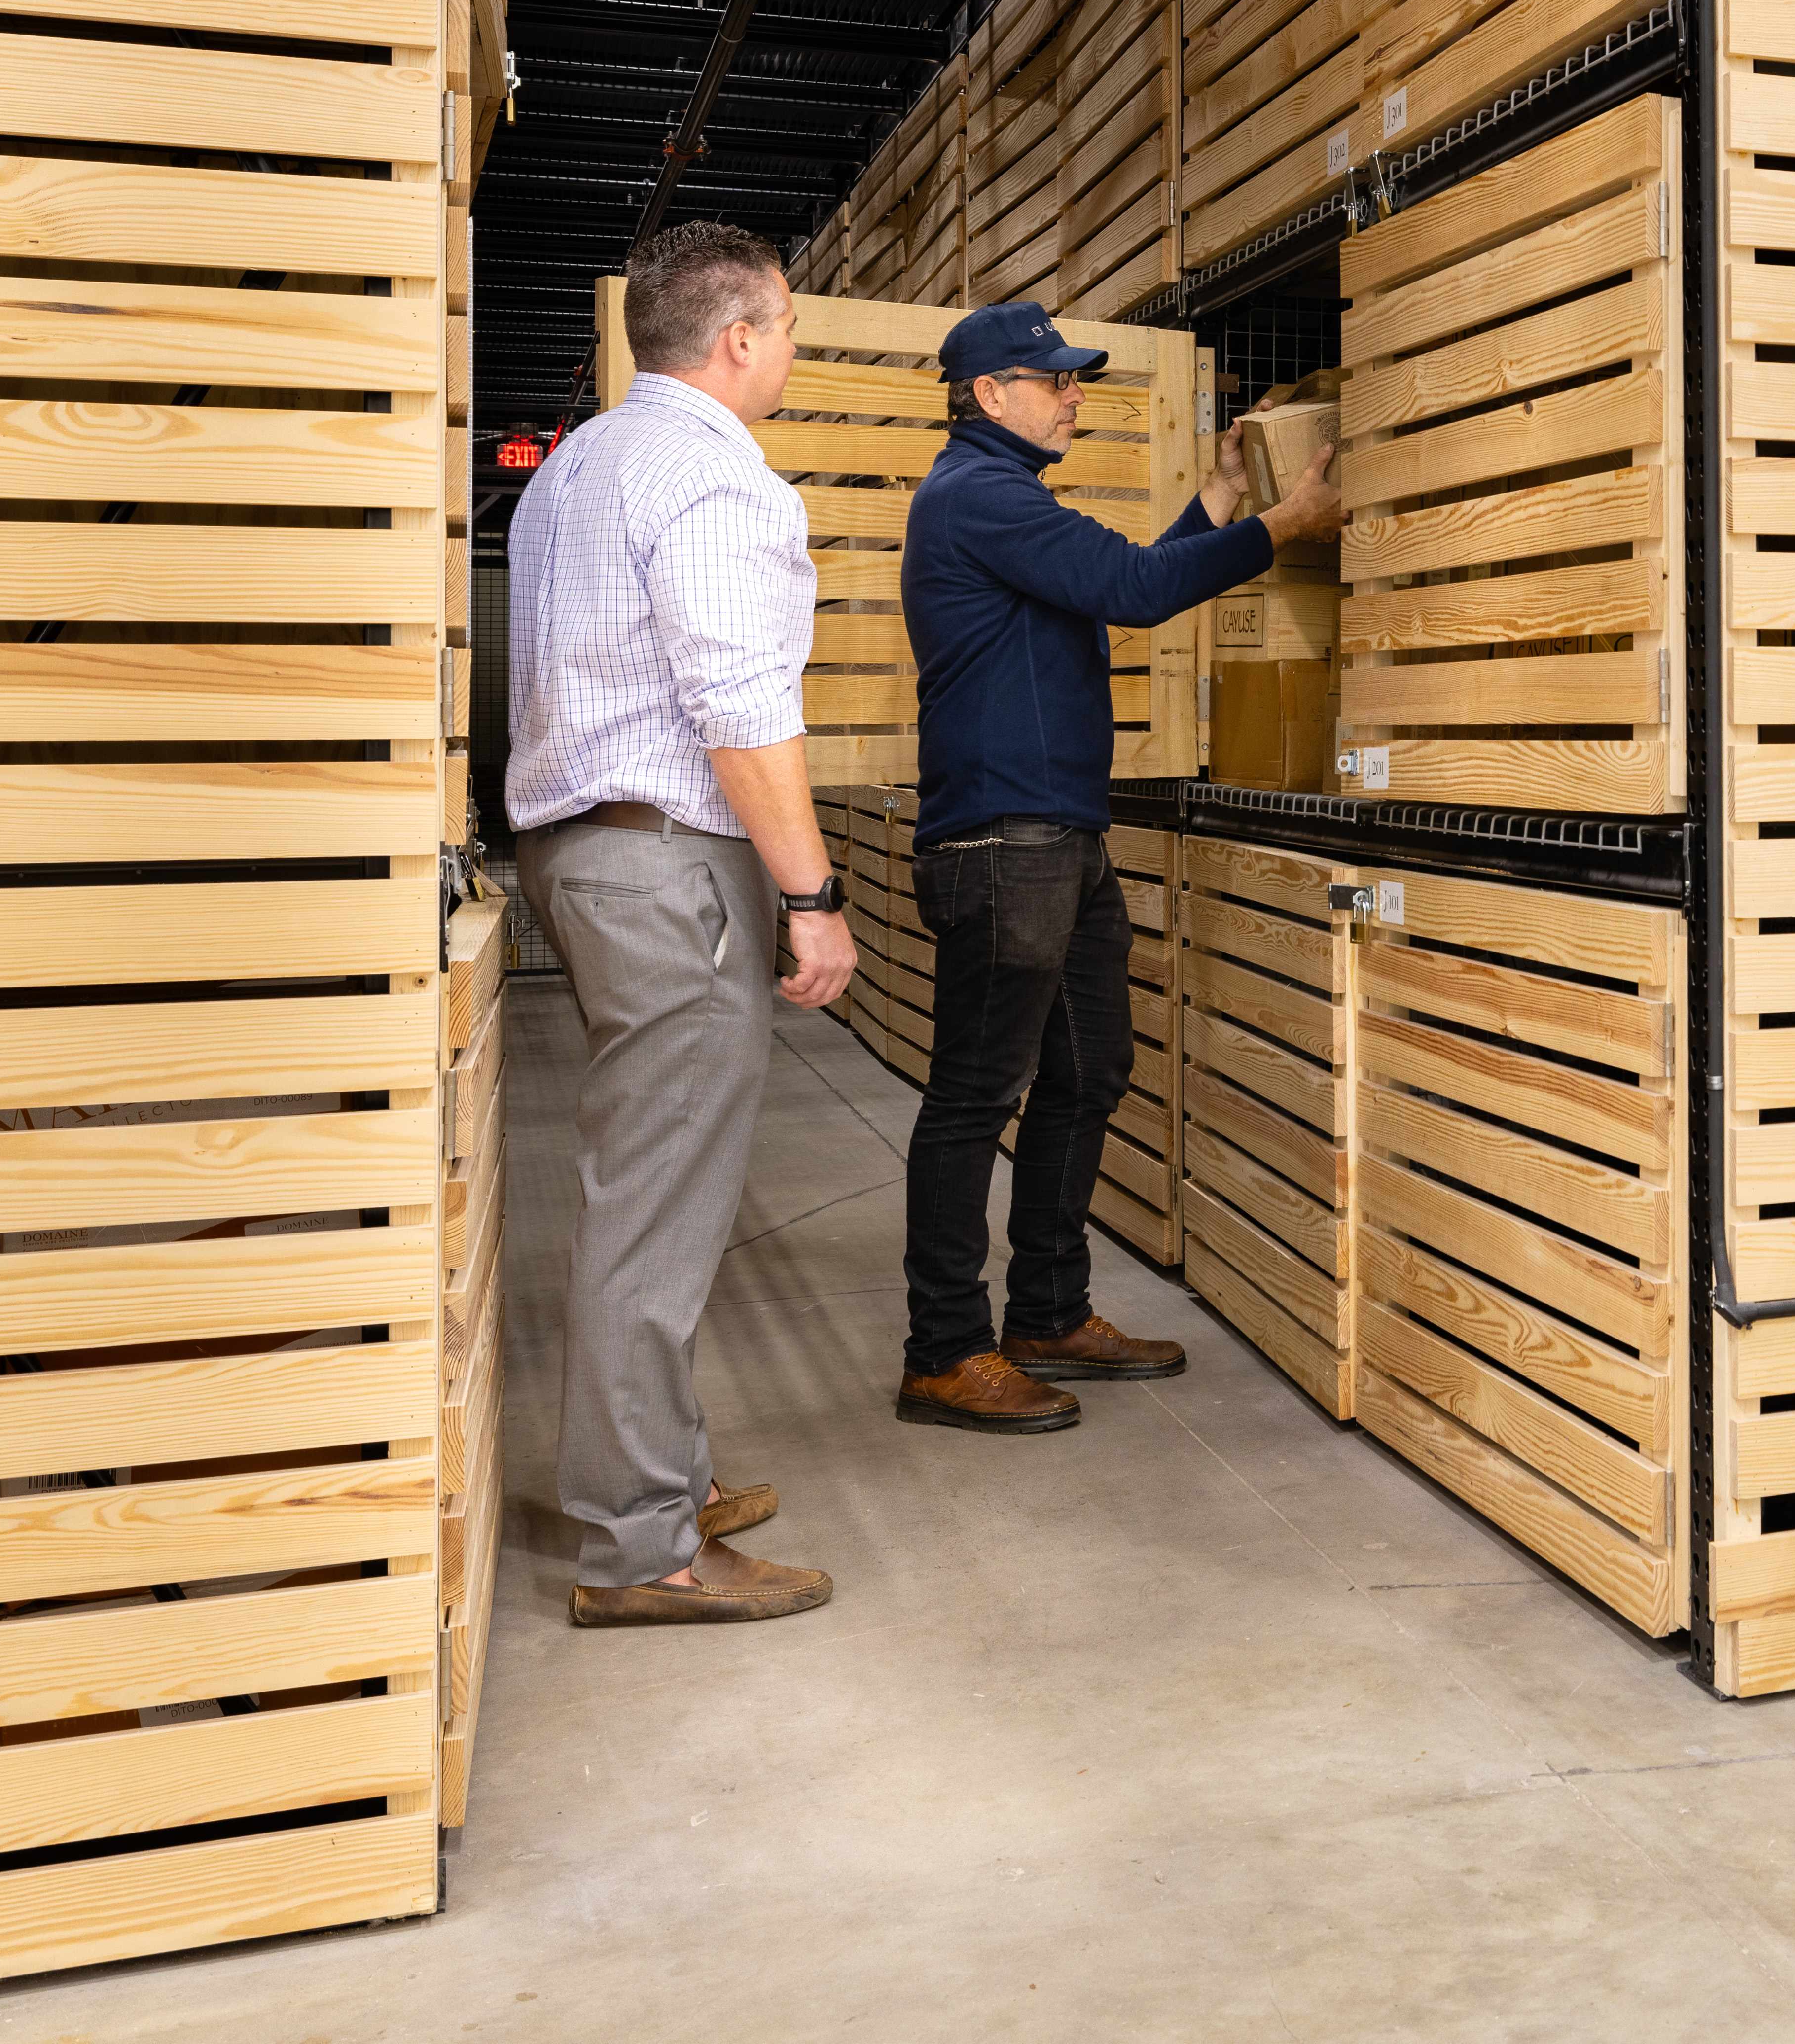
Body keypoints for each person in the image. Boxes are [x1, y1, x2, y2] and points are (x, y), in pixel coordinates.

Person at [893, 303, 1342, 1434]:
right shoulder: (979, 496)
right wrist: (1280, 526)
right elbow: (1137, 589)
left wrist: (1224, 498)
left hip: (1056, 836)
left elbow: (1121, 582)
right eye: (1051, 380)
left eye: (1073, 378)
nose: (1072, 394)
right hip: (1003, 840)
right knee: (973, 1095)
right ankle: (944, 1352)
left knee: (1091, 1068)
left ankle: (1046, 1312)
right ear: (989, 394)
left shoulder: (1006, 500)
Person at [508, 221, 856, 1626]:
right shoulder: (718, 479)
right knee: (657, 1211)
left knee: (641, 1187)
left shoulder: (577, 465)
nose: (791, 353)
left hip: (581, 853)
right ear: (739, 338)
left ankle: (653, 1474)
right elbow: (738, 705)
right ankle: (641, 1544)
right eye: (789, 330)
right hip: (668, 868)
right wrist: (812, 895)